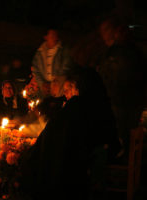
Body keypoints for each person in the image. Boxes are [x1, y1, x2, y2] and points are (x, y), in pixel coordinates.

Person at [19, 67, 121, 200]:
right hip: (90, 161)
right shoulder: (101, 104)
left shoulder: (76, 106)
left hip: (72, 172)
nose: (66, 93)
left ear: (78, 87)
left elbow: (54, 135)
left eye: (69, 89)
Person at [97, 17, 146, 148]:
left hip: (122, 103)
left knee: (122, 137)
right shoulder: (114, 51)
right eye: (102, 31)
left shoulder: (119, 52)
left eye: (106, 30)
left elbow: (116, 76)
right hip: (124, 102)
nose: (103, 34)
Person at [32, 29, 73, 97]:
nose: (55, 37)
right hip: (46, 89)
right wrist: (42, 84)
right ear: (46, 37)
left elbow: (66, 66)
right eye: (52, 35)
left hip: (59, 87)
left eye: (56, 35)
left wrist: (55, 82)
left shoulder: (63, 50)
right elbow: (36, 70)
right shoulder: (39, 53)